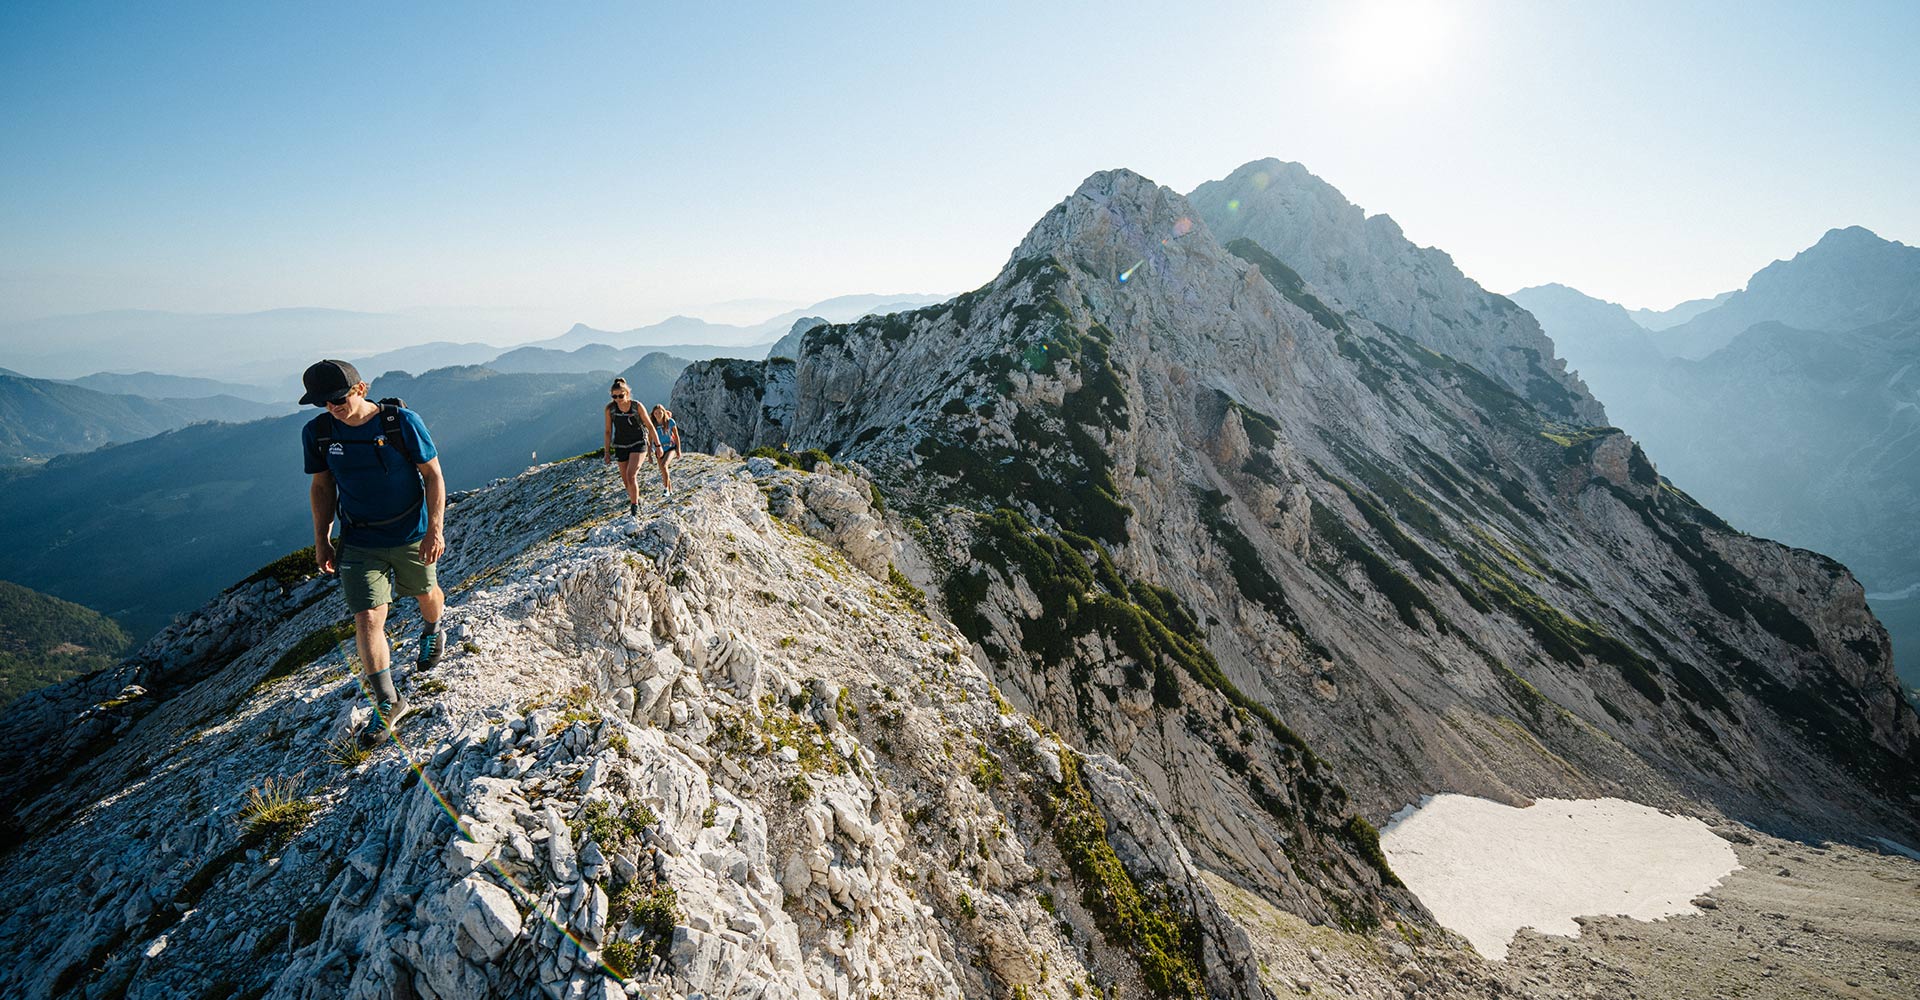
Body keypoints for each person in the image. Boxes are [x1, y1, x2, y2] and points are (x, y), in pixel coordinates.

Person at [300, 359, 446, 746]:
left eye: (338, 397)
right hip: (359, 540)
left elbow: (432, 475)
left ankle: (432, 630)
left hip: (410, 534)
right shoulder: (318, 433)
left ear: (360, 388)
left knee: (425, 595)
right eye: (322, 402)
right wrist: (322, 537)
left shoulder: (401, 423)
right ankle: (388, 700)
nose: (332, 406)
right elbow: (321, 486)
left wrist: (435, 529)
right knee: (366, 617)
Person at [604, 378, 659, 516]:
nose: (617, 399)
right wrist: (607, 452)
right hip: (620, 445)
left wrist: (658, 445)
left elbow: (650, 426)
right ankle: (636, 499)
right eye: (614, 396)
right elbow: (608, 431)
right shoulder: (610, 409)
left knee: (631, 475)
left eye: (620, 395)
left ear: (627, 393)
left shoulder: (637, 406)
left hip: (638, 443)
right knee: (625, 480)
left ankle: (634, 508)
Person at [651, 404, 681, 493]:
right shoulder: (653, 425)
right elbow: (649, 440)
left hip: (670, 448)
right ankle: (670, 490)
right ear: (653, 414)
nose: (658, 414)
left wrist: (678, 449)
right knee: (663, 470)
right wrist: (649, 454)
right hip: (659, 450)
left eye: (660, 412)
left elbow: (676, 436)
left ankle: (666, 489)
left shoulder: (670, 422)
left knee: (664, 465)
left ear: (664, 412)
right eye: (656, 413)